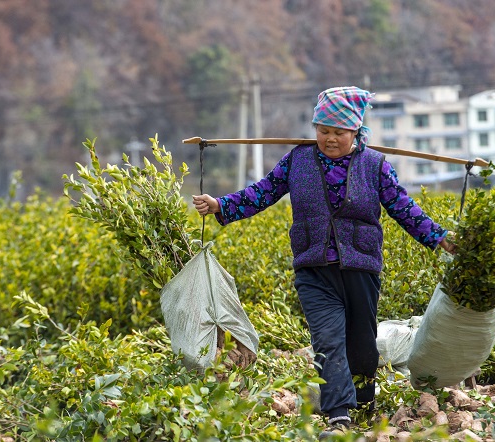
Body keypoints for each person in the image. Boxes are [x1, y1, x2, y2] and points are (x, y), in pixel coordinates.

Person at [193, 86, 455, 439]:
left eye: (339, 133)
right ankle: (338, 414)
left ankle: (363, 403)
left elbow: (404, 209)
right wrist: (221, 205)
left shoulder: (375, 166)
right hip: (313, 268)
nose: (330, 139)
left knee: (362, 346)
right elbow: (262, 192)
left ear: (356, 132)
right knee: (328, 341)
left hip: (360, 266)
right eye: (323, 131)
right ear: (315, 128)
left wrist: (439, 237)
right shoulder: (297, 161)